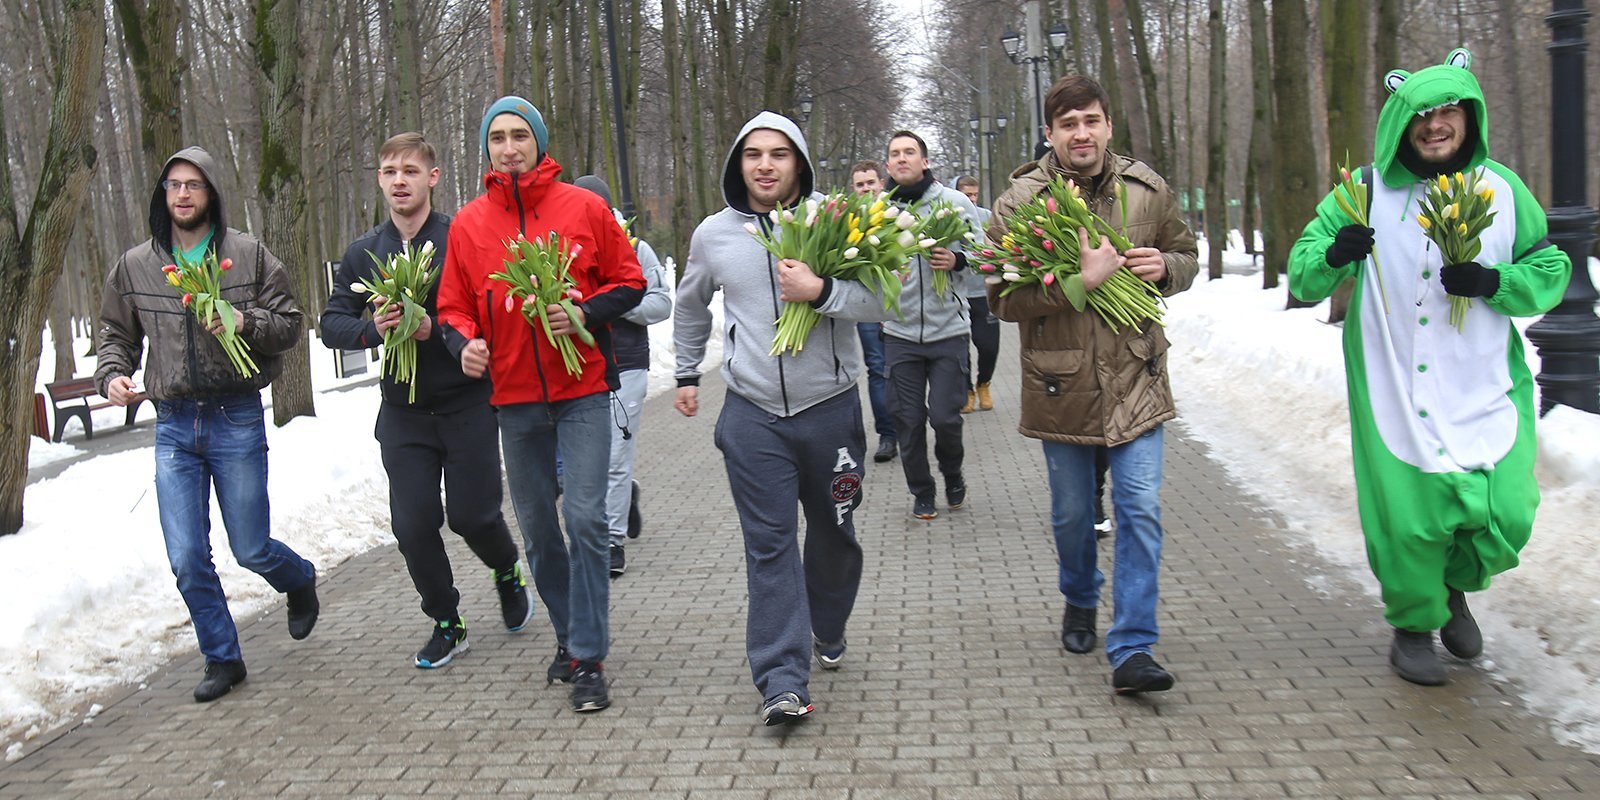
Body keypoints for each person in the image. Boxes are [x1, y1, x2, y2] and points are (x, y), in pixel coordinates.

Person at [1288, 50, 1570, 686]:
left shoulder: (1500, 188)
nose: (1437, 124)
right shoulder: (1362, 190)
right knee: (1412, 518)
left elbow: (1550, 271)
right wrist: (1334, 252)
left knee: (1509, 509)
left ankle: (1455, 588)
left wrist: (1495, 280)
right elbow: (1303, 270)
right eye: (1423, 113)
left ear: (1469, 118)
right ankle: (1414, 626)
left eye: (1450, 111)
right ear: (1401, 122)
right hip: (1396, 384)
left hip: (1482, 381)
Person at [674, 111, 894, 726]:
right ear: (738, 164)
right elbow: (691, 305)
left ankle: (826, 624)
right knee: (769, 546)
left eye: (778, 154)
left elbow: (880, 301)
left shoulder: (839, 220)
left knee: (834, 534)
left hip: (830, 411)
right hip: (752, 414)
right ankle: (781, 677)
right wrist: (688, 371)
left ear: (798, 162)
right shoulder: (714, 235)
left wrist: (822, 291)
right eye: (752, 155)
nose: (765, 165)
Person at [986, 75, 1197, 694]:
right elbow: (1001, 297)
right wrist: (1080, 280)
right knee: (1073, 515)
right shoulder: (1021, 201)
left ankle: (1133, 646)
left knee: (1139, 507)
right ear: (1050, 133)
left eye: (1092, 121)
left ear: (1108, 126)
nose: (1082, 133)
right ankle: (1080, 594)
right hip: (1063, 383)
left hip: (1137, 375)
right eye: (1069, 124)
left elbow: (1184, 253)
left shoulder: (1146, 189)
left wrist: (1167, 268)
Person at [436, 96, 645, 712]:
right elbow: (453, 306)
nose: (509, 147)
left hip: (581, 390)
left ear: (539, 142)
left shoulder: (583, 207)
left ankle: (589, 657)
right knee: (538, 535)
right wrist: (462, 343)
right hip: (514, 399)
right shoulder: (470, 225)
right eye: (497, 137)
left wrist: (583, 312)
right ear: (486, 148)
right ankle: (568, 636)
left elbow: (630, 280)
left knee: (583, 520)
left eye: (519, 135)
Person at [96, 146, 319, 703]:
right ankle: (222, 657)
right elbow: (114, 335)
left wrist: (241, 319)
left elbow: (291, 323)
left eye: (194, 184)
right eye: (173, 185)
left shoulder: (247, 254)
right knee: (186, 556)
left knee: (250, 548)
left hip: (235, 416)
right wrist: (112, 376)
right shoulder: (137, 265)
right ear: (162, 195)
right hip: (173, 423)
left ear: (211, 192)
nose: (183, 194)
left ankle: (298, 579)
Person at [320, 132, 531, 670]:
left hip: (466, 404)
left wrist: (434, 331)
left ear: (432, 178)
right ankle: (447, 621)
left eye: (410, 171)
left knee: (472, 515)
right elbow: (331, 323)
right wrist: (374, 329)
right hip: (403, 413)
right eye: (389, 171)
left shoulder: (462, 238)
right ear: (380, 180)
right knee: (412, 525)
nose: (399, 181)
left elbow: (490, 313)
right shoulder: (365, 252)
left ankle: (506, 569)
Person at [571, 174, 673, 579]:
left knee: (614, 457)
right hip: (578, 366)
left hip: (626, 363)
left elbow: (661, 302)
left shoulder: (635, 248)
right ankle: (623, 496)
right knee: (580, 462)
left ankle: (611, 540)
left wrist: (614, 305)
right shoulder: (561, 248)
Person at [881, 131, 983, 520]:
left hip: (948, 332)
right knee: (907, 420)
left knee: (944, 417)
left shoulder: (954, 203)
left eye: (910, 152)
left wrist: (957, 261)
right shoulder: (879, 209)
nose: (902, 158)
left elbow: (983, 251)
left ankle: (953, 474)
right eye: (895, 154)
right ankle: (922, 492)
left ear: (924, 161)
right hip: (899, 332)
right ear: (888, 165)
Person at [850, 160, 898, 464]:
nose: (866, 189)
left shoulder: (897, 215)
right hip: (866, 306)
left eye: (871, 182)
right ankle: (887, 435)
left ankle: (910, 426)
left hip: (897, 305)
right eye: (860, 184)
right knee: (877, 369)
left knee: (903, 370)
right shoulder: (848, 219)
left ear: (882, 182)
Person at [954, 175, 999, 415]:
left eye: (974, 194)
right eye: (966, 194)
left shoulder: (987, 216)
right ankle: (967, 391)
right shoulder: (949, 217)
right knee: (961, 349)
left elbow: (1000, 244)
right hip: (960, 293)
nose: (971, 199)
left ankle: (984, 384)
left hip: (984, 292)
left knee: (989, 346)